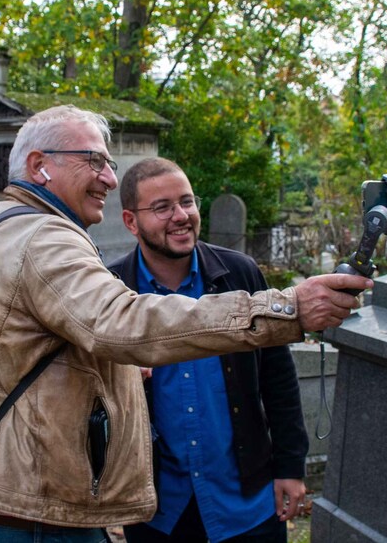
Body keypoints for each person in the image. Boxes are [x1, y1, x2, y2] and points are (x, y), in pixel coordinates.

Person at [0, 105, 371, 542]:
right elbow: (120, 323)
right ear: (39, 165)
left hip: (22, 501)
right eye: (94, 161)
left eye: (186, 202)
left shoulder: (3, 226)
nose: (107, 177)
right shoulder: (43, 238)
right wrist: (288, 308)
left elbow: (49, 349)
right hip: (32, 518)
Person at [107, 158, 307, 543]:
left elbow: (278, 376)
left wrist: (290, 466)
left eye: (187, 202)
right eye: (162, 207)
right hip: (160, 508)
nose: (181, 216)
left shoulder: (241, 275)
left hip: (246, 502)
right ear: (131, 222)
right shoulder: (114, 288)